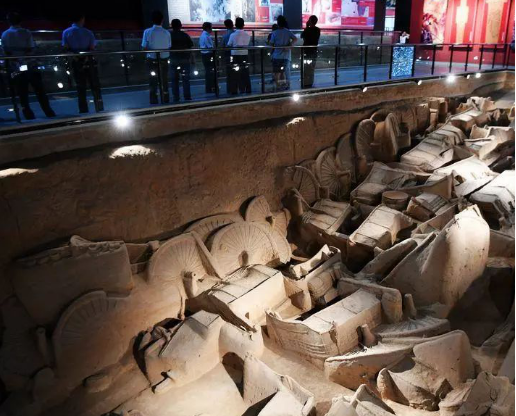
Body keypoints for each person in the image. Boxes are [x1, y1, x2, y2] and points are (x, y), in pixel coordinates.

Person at [2, 12, 55, 120]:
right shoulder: (26, 32)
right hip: (29, 65)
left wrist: (16, 59)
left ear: (9, 21)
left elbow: (5, 52)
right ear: (21, 20)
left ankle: (28, 115)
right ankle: (48, 112)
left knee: (22, 93)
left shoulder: (5, 34)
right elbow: (31, 48)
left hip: (16, 66)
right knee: (39, 90)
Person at [62, 13, 104, 113]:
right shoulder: (88, 32)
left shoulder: (66, 32)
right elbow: (92, 48)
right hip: (89, 61)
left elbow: (66, 48)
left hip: (76, 61)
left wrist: (76, 57)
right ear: (82, 19)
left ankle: (83, 110)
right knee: (95, 85)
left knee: (80, 87)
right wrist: (86, 57)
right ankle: (99, 108)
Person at [142, 11, 171, 104]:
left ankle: (154, 100)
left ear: (152, 20)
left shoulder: (147, 32)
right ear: (162, 20)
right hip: (164, 59)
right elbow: (169, 46)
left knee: (152, 80)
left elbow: (144, 47)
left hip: (152, 59)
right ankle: (165, 98)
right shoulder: (167, 33)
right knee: (164, 79)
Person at [268, 15, 297, 91]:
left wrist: (271, 53)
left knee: (277, 72)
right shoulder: (288, 32)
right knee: (285, 72)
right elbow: (295, 38)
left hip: (276, 56)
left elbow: (271, 44)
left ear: (278, 23)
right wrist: (290, 45)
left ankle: (278, 87)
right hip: (286, 56)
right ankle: (287, 85)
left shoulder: (274, 33)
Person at [170, 19, 193, 102]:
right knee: (186, 79)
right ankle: (187, 96)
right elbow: (190, 46)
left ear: (172, 26)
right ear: (180, 25)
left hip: (173, 60)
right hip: (185, 60)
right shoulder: (185, 35)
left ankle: (176, 97)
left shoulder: (169, 35)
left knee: (174, 80)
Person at [227, 17, 251, 95]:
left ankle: (234, 90)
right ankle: (246, 89)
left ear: (235, 25)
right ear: (243, 25)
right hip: (245, 55)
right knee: (245, 73)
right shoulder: (247, 35)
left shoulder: (232, 35)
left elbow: (229, 45)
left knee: (234, 73)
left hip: (235, 55)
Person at [301, 15, 320, 88]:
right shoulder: (318, 30)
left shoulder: (307, 30)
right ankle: (310, 83)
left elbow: (302, 36)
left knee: (306, 68)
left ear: (310, 21)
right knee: (312, 68)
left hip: (306, 51)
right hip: (314, 51)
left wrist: (306, 26)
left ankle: (305, 83)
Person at [199, 22, 216, 94]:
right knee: (210, 72)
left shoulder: (203, 35)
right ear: (208, 28)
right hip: (208, 55)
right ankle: (210, 88)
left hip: (204, 55)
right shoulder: (206, 36)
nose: (212, 28)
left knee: (208, 72)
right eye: (211, 27)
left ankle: (209, 88)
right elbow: (210, 47)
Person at [222, 19, 235, 94]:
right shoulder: (235, 33)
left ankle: (230, 89)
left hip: (228, 54)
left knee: (229, 72)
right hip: (235, 54)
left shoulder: (225, 35)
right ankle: (236, 88)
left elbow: (223, 46)